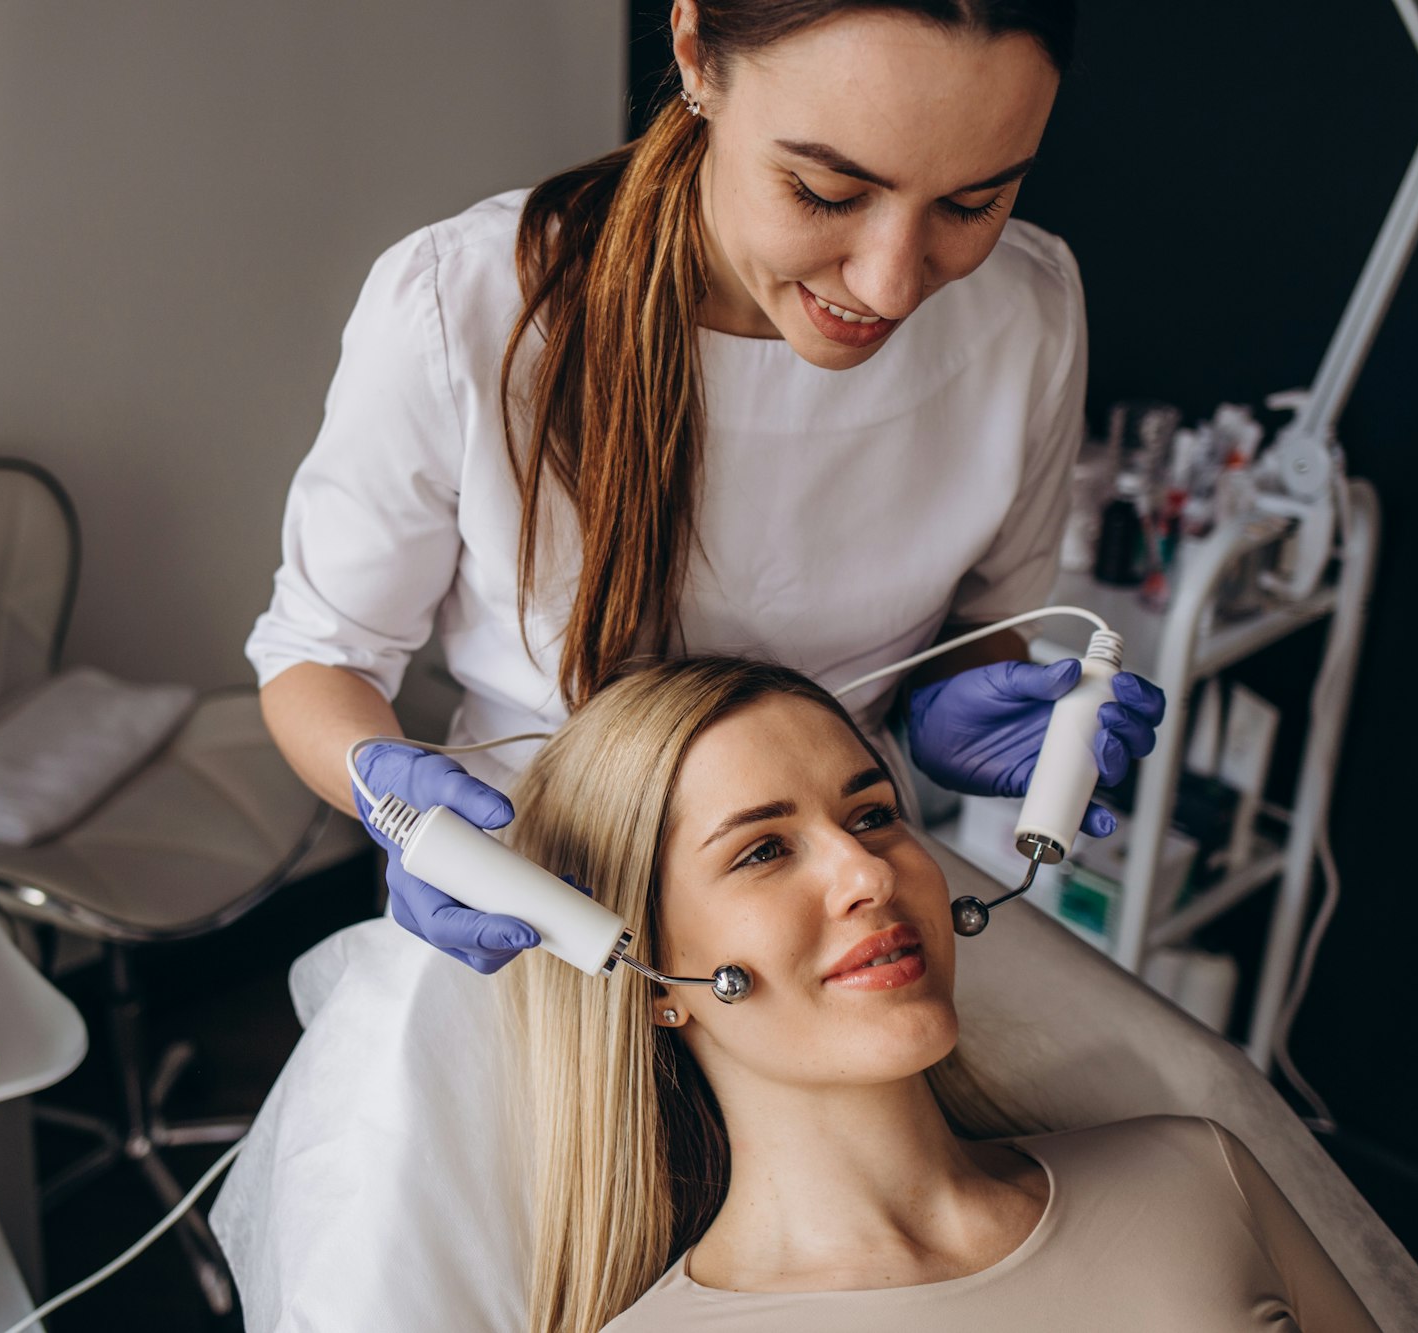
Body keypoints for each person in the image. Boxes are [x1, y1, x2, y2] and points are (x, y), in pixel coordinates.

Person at [249, 0, 1166, 973]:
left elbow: (985, 626)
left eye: (971, 204)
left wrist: (951, 703)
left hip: (838, 913)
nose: (891, 286)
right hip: (540, 905)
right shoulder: (466, 305)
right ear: (694, 53)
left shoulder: (1026, 312)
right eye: (825, 191)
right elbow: (320, 656)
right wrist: (388, 796)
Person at [504, 656, 1376, 1332]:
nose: (870, 873)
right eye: (764, 850)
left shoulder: (1197, 1174)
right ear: (648, 975)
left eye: (873, 815)